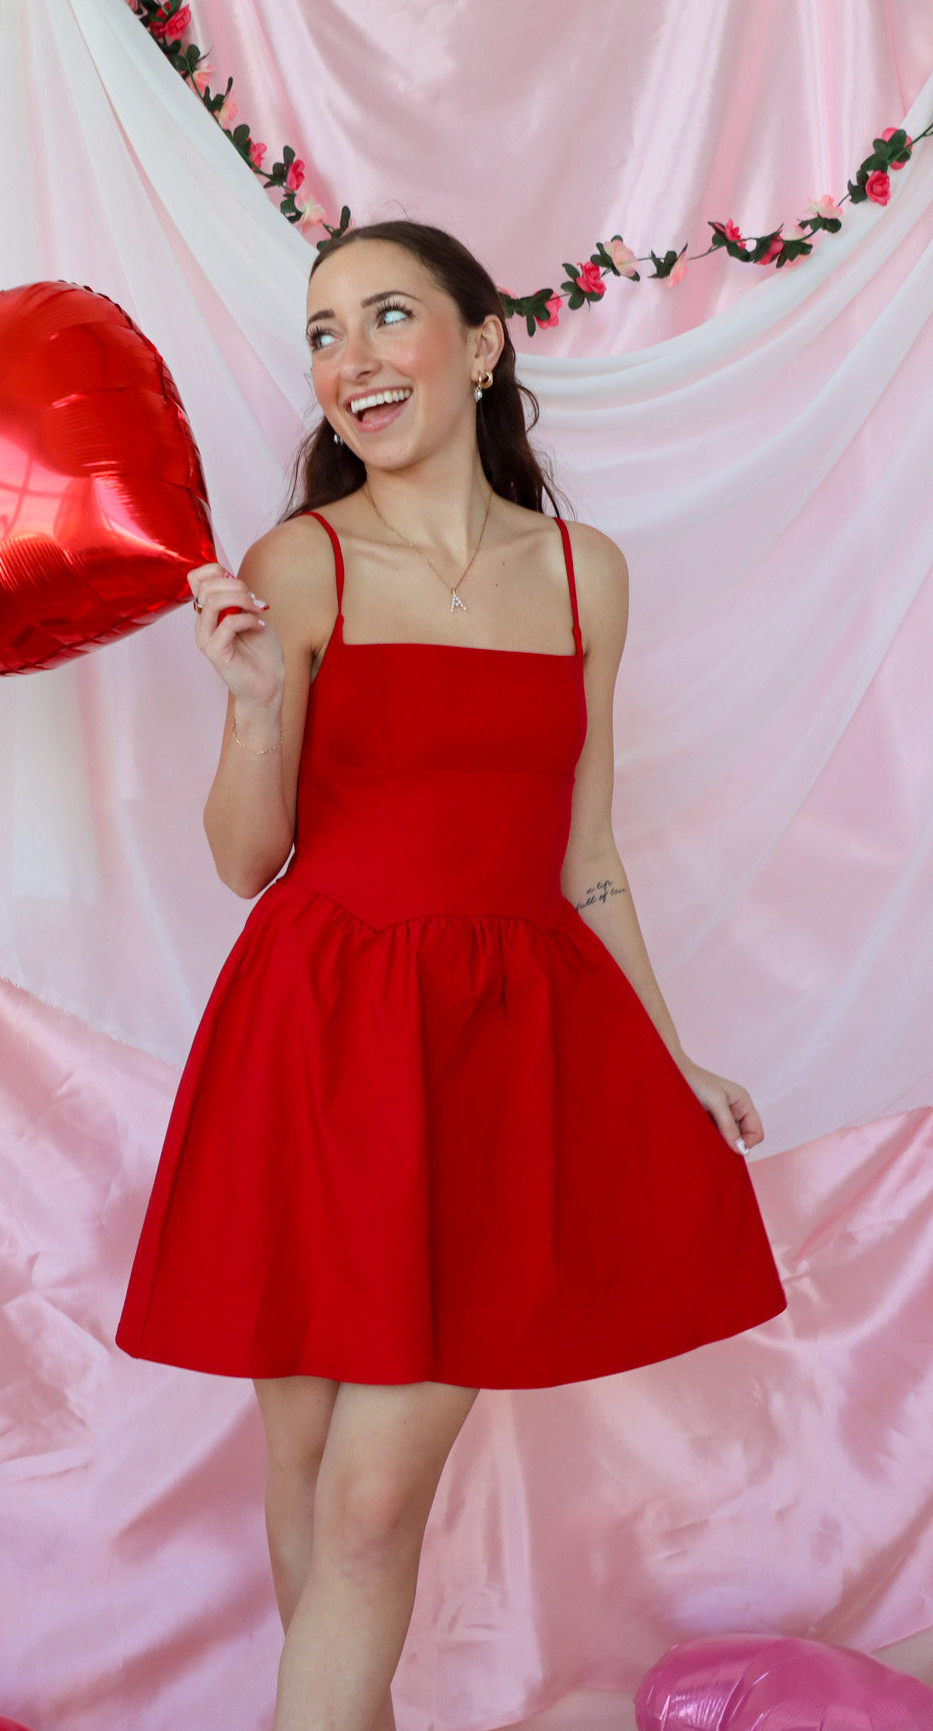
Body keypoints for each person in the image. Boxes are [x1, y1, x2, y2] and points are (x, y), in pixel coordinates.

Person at [116, 219, 787, 1731]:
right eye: (320, 333)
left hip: (489, 1055)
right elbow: (243, 862)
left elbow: (586, 851)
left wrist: (666, 1055)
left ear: (481, 344)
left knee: (365, 1501)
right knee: (299, 1471)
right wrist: (244, 712)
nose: (346, 361)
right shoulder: (299, 565)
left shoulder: (582, 576)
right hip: (312, 1037)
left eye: (386, 317)